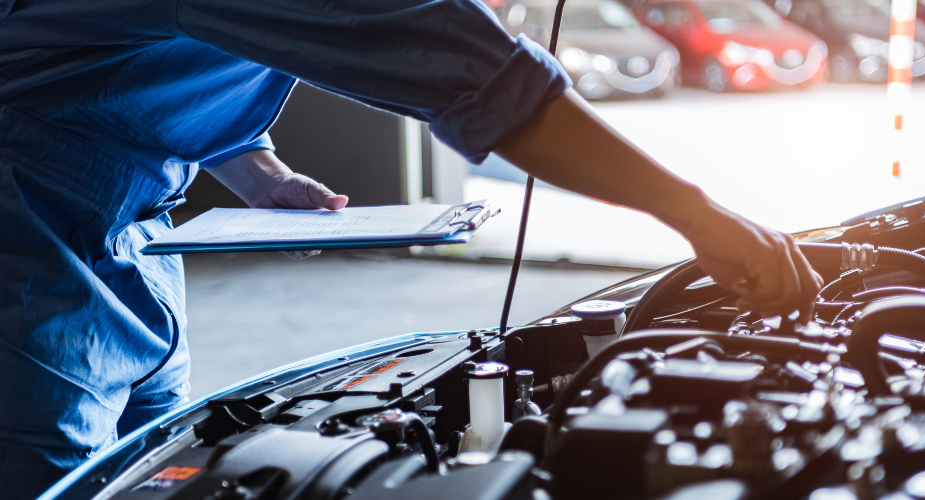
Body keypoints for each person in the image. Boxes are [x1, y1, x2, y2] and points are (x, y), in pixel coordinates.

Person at [0, 0, 821, 496]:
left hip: (132, 229)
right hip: (27, 235)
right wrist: (701, 218)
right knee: (56, 481)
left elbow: (113, 50)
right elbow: (490, 87)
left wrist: (252, 167)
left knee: (157, 469)